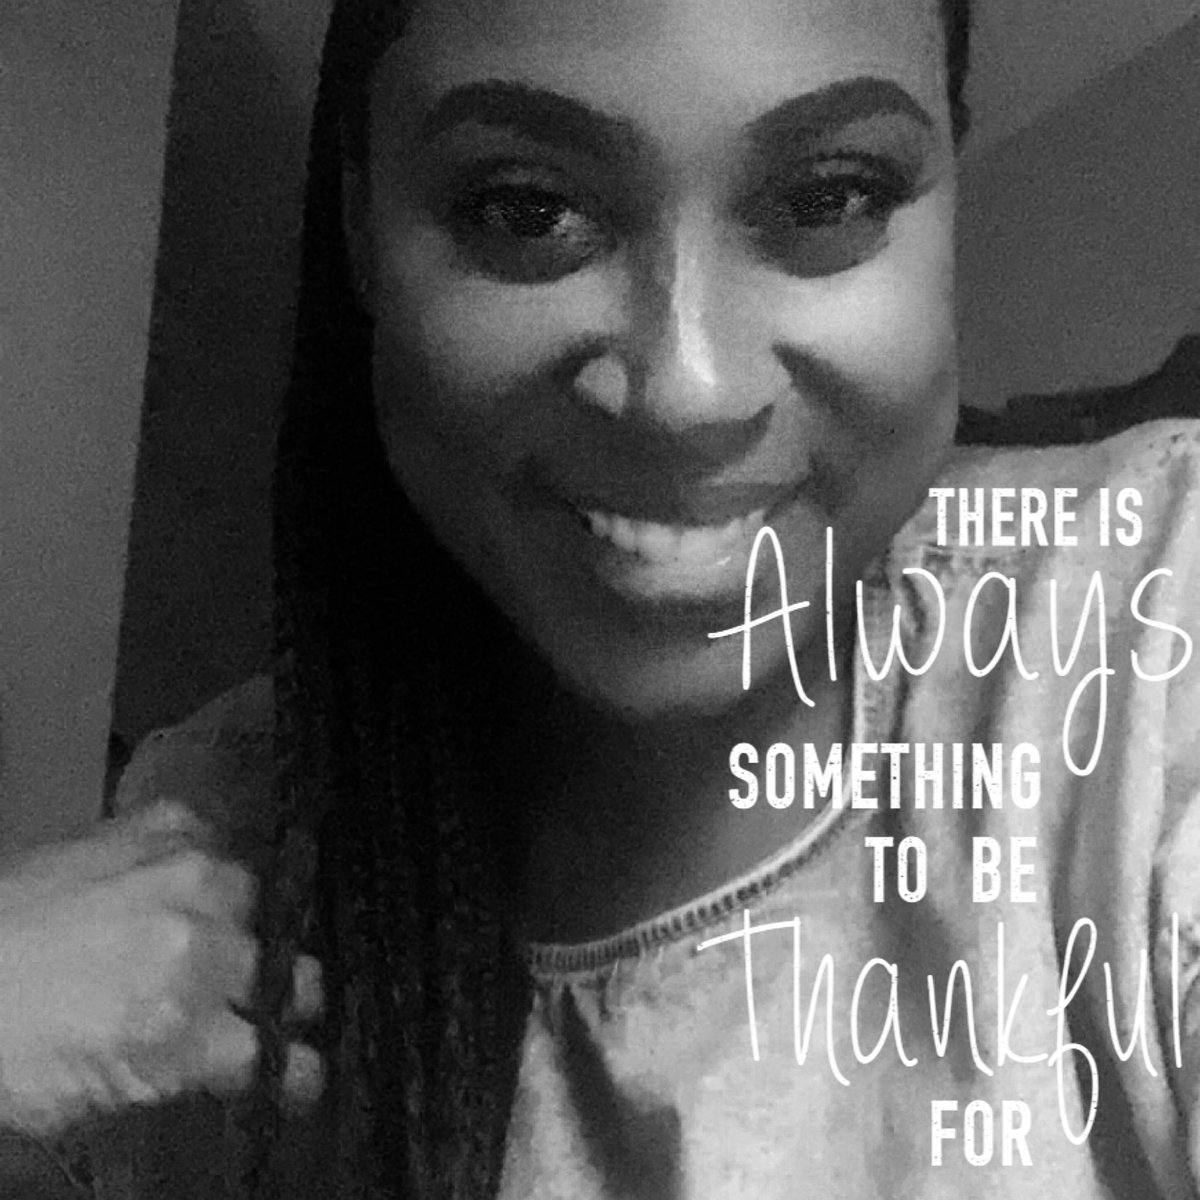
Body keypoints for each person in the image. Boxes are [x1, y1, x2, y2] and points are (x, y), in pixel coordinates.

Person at [6, 0, 1198, 1196]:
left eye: (828, 196)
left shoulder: (1152, 622)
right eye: (526, 211)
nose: (687, 392)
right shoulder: (210, 862)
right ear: (363, 229)